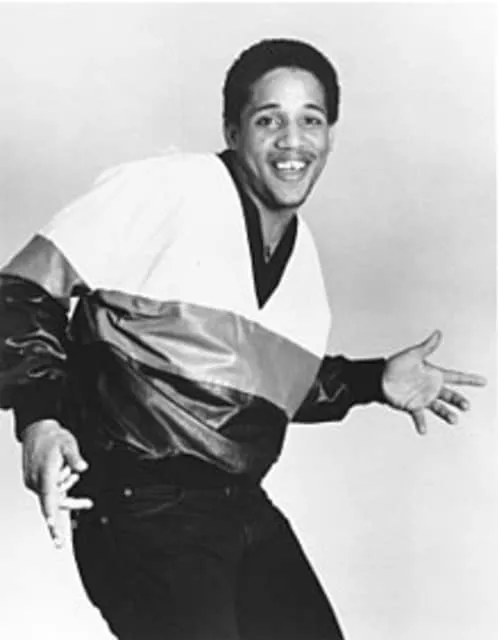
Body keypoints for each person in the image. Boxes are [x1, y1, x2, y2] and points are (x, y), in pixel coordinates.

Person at [0, 38, 486, 640]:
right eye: (268, 120)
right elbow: (21, 289)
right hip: (140, 505)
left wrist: (373, 380)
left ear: (331, 136)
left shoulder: (302, 261)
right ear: (233, 130)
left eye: (311, 120)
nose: (292, 140)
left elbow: (263, 386)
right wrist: (40, 419)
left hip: (239, 505)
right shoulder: (167, 187)